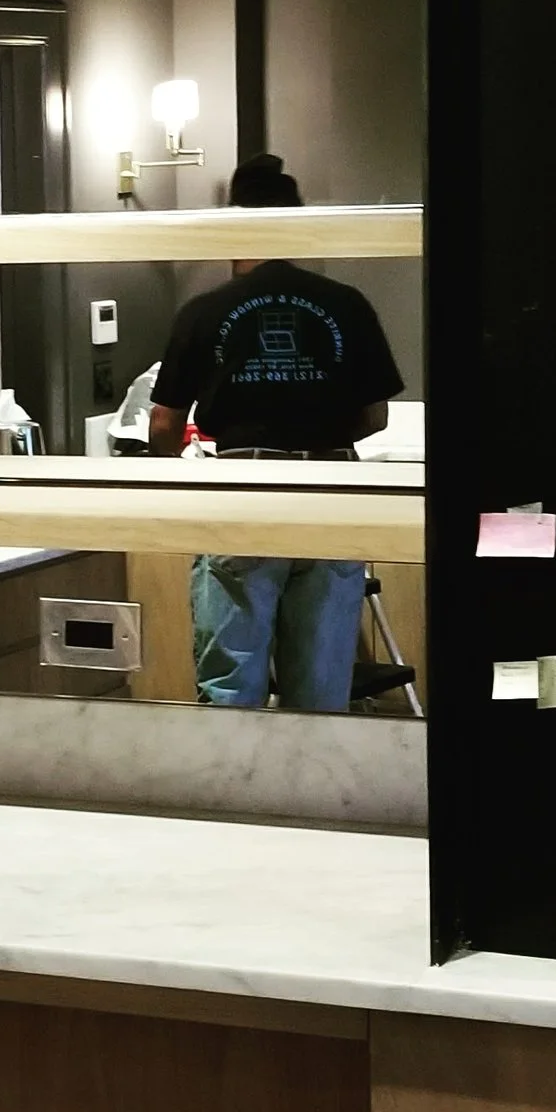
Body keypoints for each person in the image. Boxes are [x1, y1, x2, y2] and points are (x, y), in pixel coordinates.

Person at [147, 153, 405, 711]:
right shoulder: (346, 304)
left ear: (232, 224)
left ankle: (239, 795)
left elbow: (164, 422)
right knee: (320, 686)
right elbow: (376, 415)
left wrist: (186, 462)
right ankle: (306, 797)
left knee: (230, 684)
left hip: (244, 484)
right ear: (297, 222)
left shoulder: (205, 310)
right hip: (333, 490)